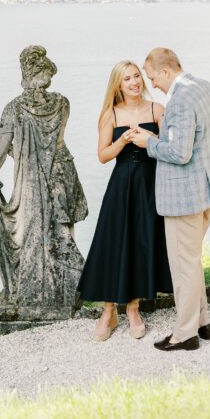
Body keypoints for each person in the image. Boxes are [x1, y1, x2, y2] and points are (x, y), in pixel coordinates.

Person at [130, 48, 210, 352]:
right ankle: (202, 322)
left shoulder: (179, 101)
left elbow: (179, 153)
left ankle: (184, 333)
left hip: (185, 197)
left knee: (183, 265)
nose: (154, 86)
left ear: (165, 71)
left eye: (152, 78)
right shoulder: (208, 88)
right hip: (209, 191)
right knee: (192, 260)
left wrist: (148, 142)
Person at [0, 45, 87, 318]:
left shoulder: (13, 110)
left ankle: (38, 292)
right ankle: (65, 291)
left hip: (32, 181)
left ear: (25, 74)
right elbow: (53, 142)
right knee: (63, 233)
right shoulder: (63, 103)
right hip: (62, 174)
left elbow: (0, 150)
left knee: (33, 234)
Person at [77, 61, 173, 341]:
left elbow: (169, 149)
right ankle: (109, 310)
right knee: (113, 243)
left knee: (141, 241)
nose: (134, 82)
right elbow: (103, 155)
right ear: (118, 85)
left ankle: (133, 308)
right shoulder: (110, 113)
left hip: (149, 184)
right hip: (121, 185)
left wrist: (152, 138)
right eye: (127, 79)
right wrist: (123, 142)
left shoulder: (157, 109)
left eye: (136, 77)